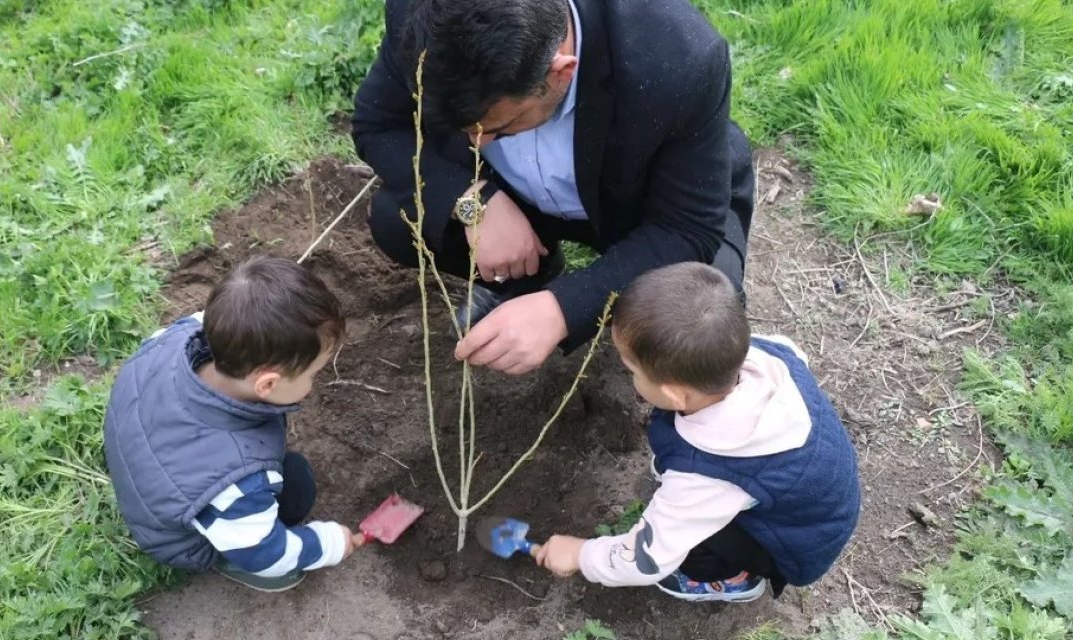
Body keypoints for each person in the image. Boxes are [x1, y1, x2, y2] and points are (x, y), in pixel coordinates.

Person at [352, 0, 755, 376]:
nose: (475, 145)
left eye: (496, 128)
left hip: (640, 203)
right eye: (465, 130)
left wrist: (562, 308)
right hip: (514, 193)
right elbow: (379, 124)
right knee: (398, 220)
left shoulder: (675, 55)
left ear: (561, 72)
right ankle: (528, 271)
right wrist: (473, 201)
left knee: (702, 317)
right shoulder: (423, 15)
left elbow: (685, 229)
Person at [533, 263, 861, 602]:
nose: (625, 370)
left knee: (693, 546)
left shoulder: (712, 474)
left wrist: (581, 554)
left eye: (630, 367)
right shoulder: (767, 355)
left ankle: (733, 578)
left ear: (676, 395)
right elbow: (797, 355)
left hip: (795, 543)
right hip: (815, 502)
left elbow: (647, 558)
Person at [103, 257, 364, 592]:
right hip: (177, 539)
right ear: (267, 385)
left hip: (146, 458)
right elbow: (266, 553)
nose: (314, 383)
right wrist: (325, 543)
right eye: (312, 374)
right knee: (297, 483)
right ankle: (228, 560)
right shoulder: (237, 481)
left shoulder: (176, 337)